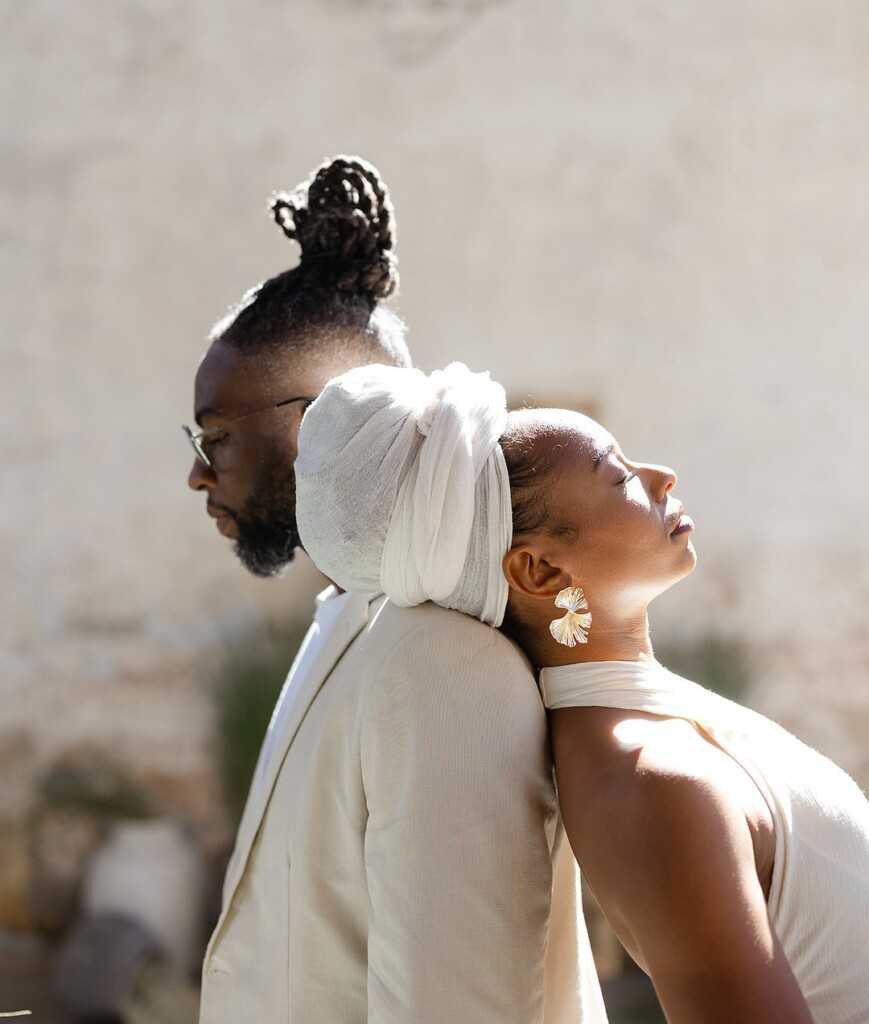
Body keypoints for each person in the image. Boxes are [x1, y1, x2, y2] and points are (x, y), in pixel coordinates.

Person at [295, 361, 869, 1024]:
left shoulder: (654, 728)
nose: (662, 477)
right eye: (619, 474)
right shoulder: (647, 779)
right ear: (539, 570)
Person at [184, 158, 606, 1023]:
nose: (197, 474)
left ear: (322, 421)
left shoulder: (439, 662)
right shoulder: (346, 621)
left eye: (217, 437)